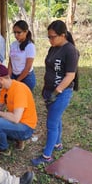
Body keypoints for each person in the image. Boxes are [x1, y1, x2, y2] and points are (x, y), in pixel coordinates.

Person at [31, 20, 79, 166]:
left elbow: (70, 75)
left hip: (61, 93)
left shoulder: (70, 51)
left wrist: (56, 92)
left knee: (51, 123)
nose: (50, 40)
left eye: (53, 37)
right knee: (56, 119)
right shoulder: (53, 48)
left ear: (63, 35)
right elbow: (50, 69)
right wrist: (46, 89)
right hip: (49, 91)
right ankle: (57, 144)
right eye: (49, 37)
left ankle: (47, 156)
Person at [0, 64, 37, 156]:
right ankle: (16, 139)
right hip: (17, 122)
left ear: (0, 79)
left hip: (26, 127)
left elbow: (16, 118)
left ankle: (3, 149)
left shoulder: (19, 90)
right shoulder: (5, 89)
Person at [8, 20, 36, 91]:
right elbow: (10, 63)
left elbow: (28, 67)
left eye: (19, 32)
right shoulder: (13, 44)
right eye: (14, 32)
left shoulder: (30, 46)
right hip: (14, 76)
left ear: (26, 32)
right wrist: (8, 77)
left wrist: (17, 80)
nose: (16, 35)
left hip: (26, 78)